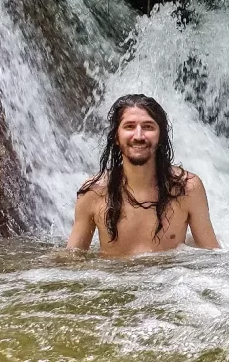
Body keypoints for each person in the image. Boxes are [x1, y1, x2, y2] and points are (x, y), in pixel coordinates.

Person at [67, 94, 221, 257]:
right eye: (129, 126)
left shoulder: (187, 188)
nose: (139, 136)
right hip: (115, 279)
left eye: (148, 127)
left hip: (172, 280)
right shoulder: (93, 192)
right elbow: (72, 260)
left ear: (160, 136)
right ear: (116, 137)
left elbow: (212, 255)